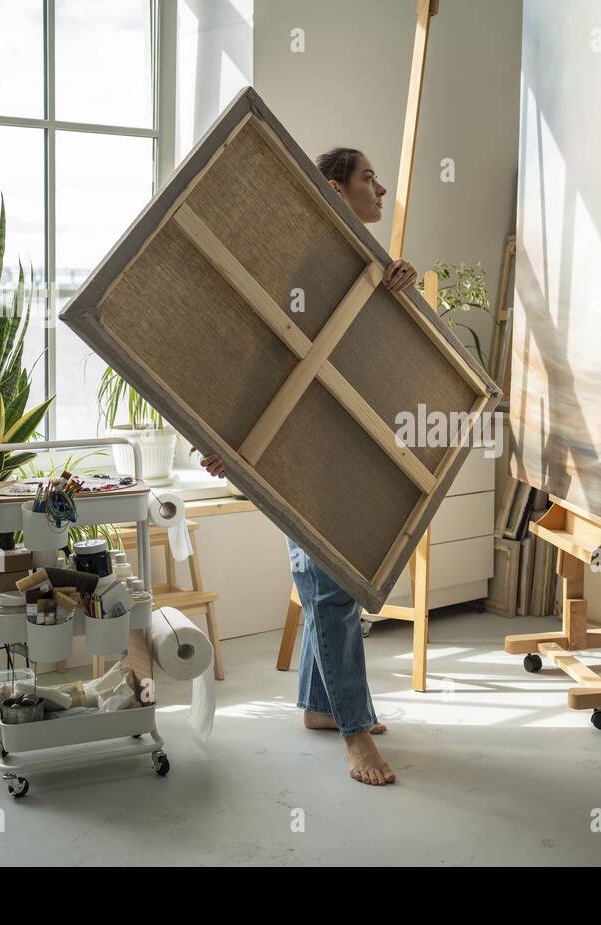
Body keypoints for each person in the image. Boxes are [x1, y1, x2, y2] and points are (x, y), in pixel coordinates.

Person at [199, 147, 419, 786]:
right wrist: (228, 439)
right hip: (294, 451)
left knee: (334, 583)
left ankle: (323, 708)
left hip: (345, 446)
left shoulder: (364, 267)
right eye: (369, 179)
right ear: (336, 187)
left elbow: (376, 348)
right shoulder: (302, 263)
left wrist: (401, 277)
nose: (381, 188)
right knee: (327, 587)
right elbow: (256, 353)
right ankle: (356, 733)